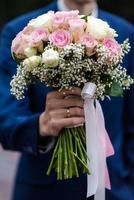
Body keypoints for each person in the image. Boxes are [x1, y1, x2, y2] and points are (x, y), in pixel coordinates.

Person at [0, 0, 134, 200]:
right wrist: (42, 125)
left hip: (114, 190)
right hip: (43, 191)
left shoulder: (126, 32)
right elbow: (6, 122)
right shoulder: (21, 32)